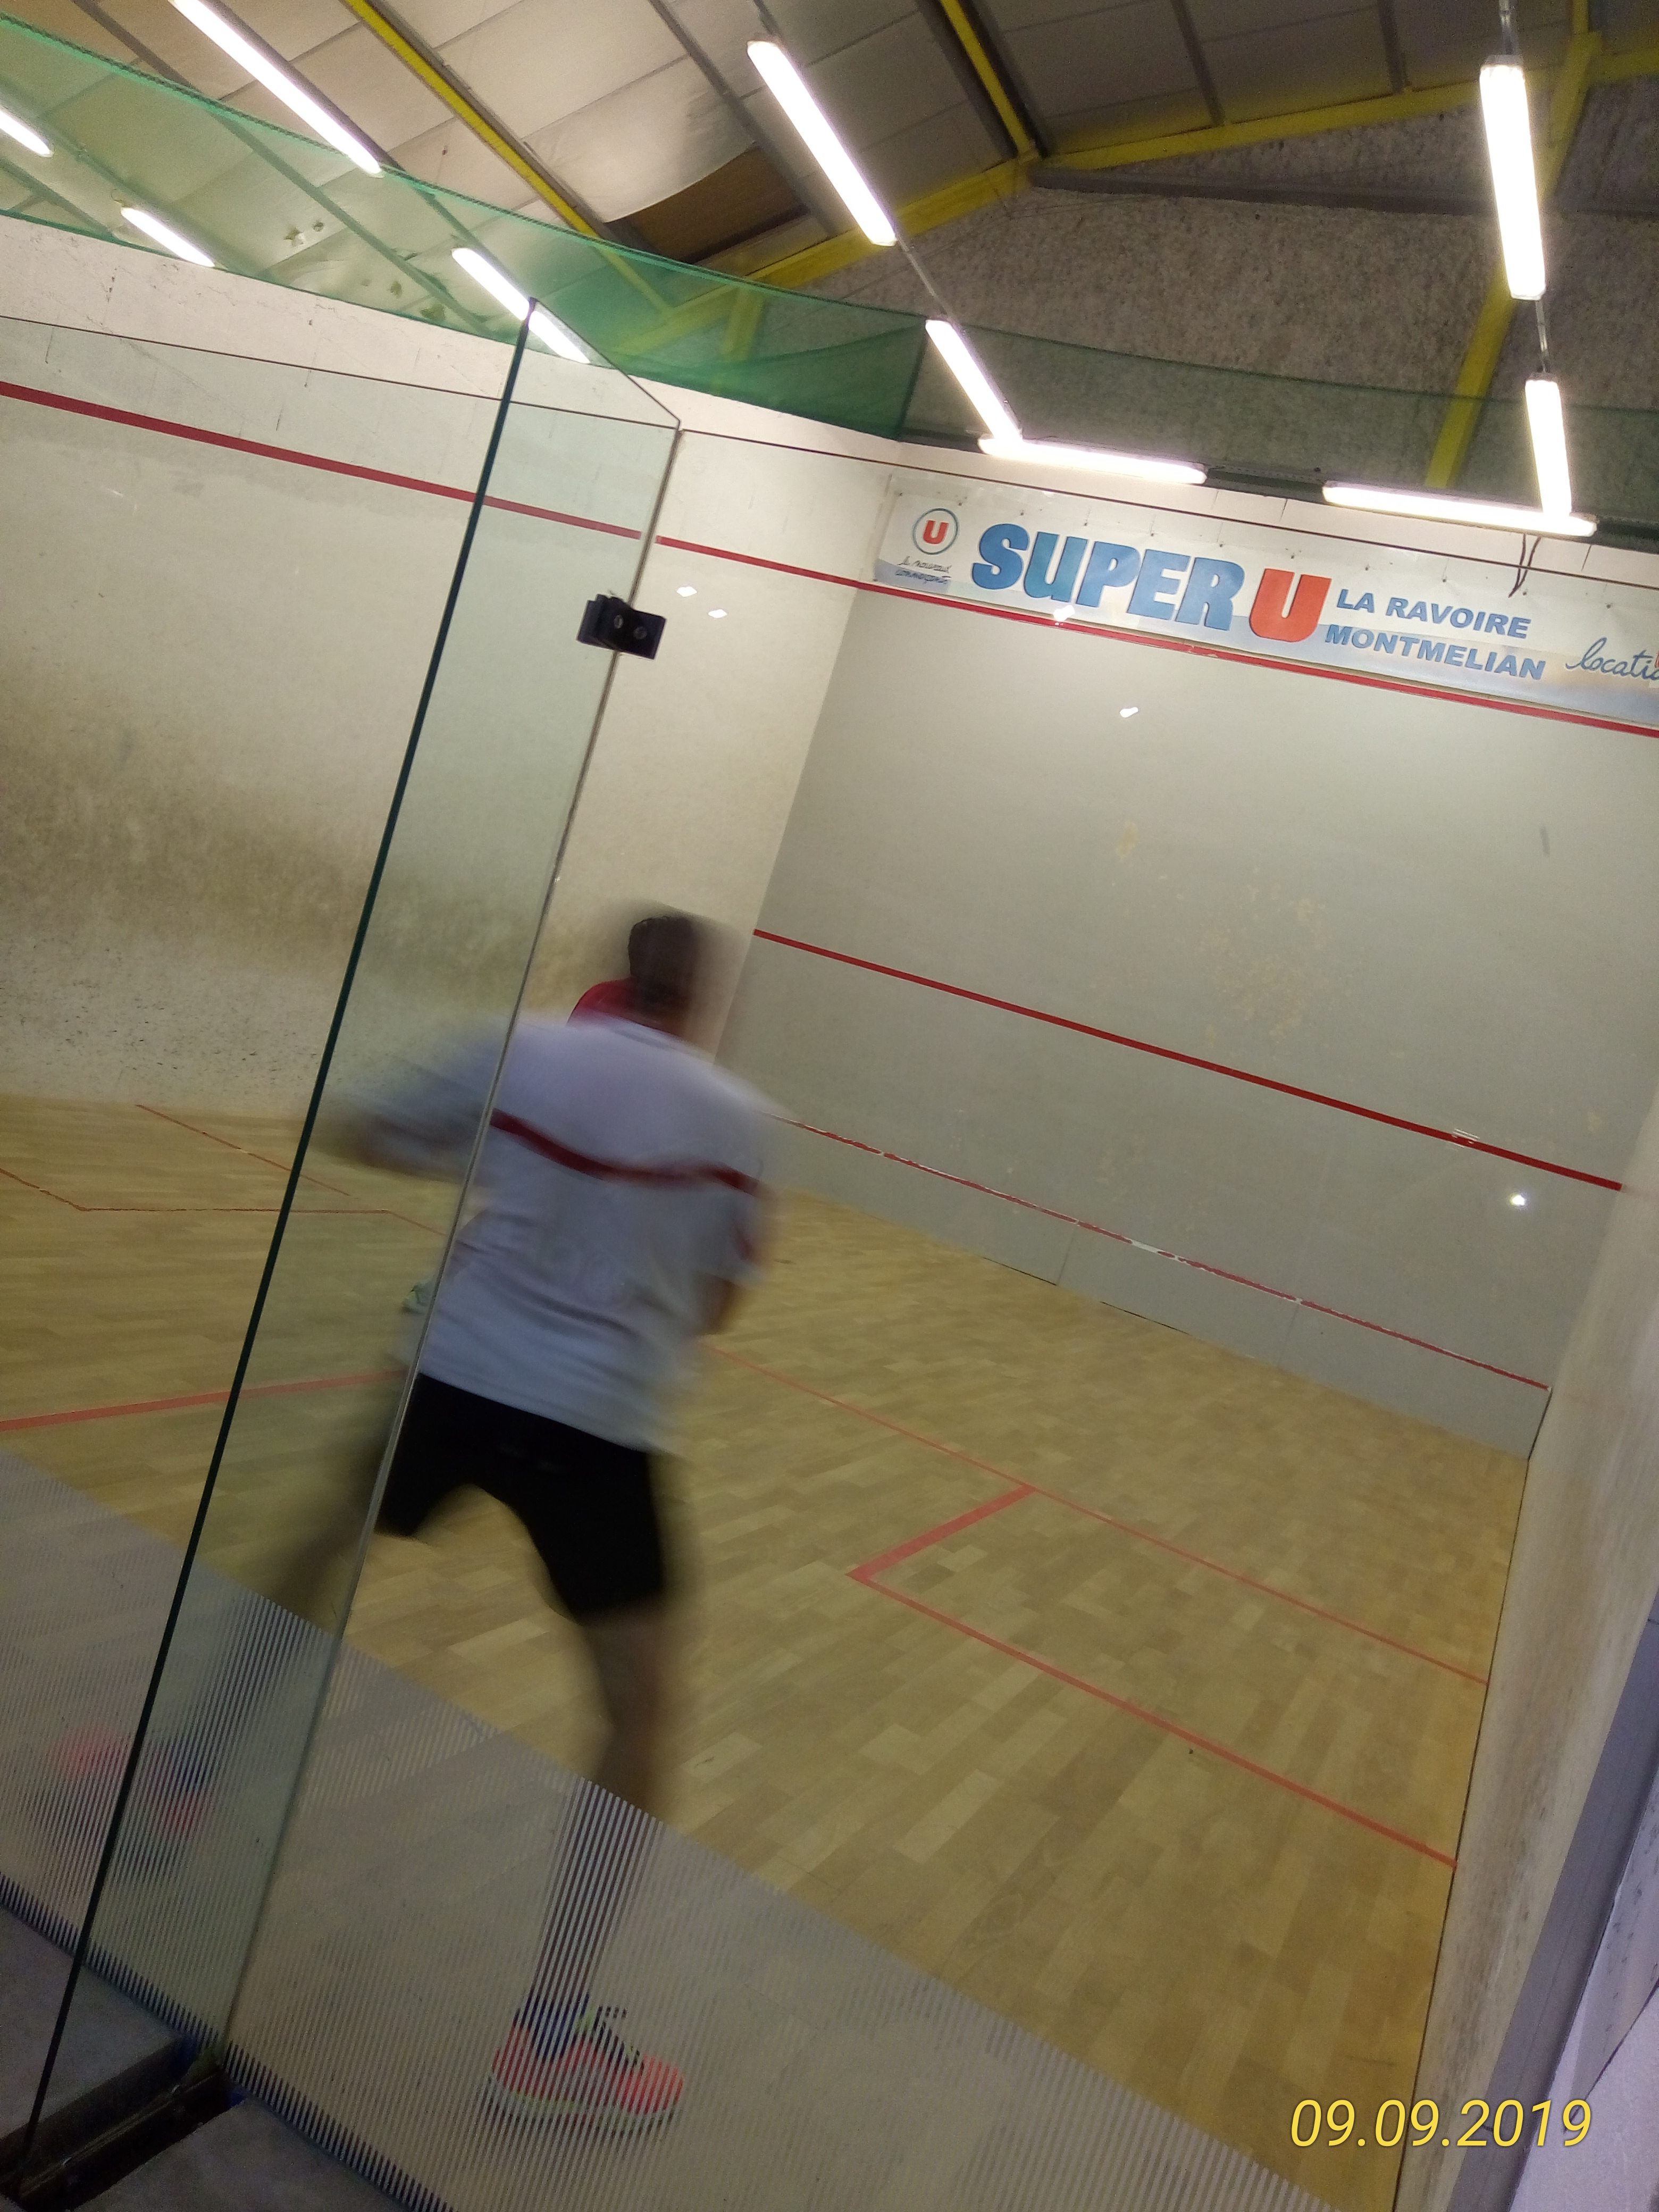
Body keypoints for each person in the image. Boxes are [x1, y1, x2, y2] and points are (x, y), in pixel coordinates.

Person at [367, 911, 770, 2132]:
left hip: (454, 1374)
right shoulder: (739, 1121)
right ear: (701, 998)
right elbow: (715, 1309)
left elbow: (374, 1129)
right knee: (638, 1718)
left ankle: (173, 1777)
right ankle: (548, 2036)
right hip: (596, 1426)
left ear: (618, 974)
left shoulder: (529, 1049)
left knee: (309, 1546)